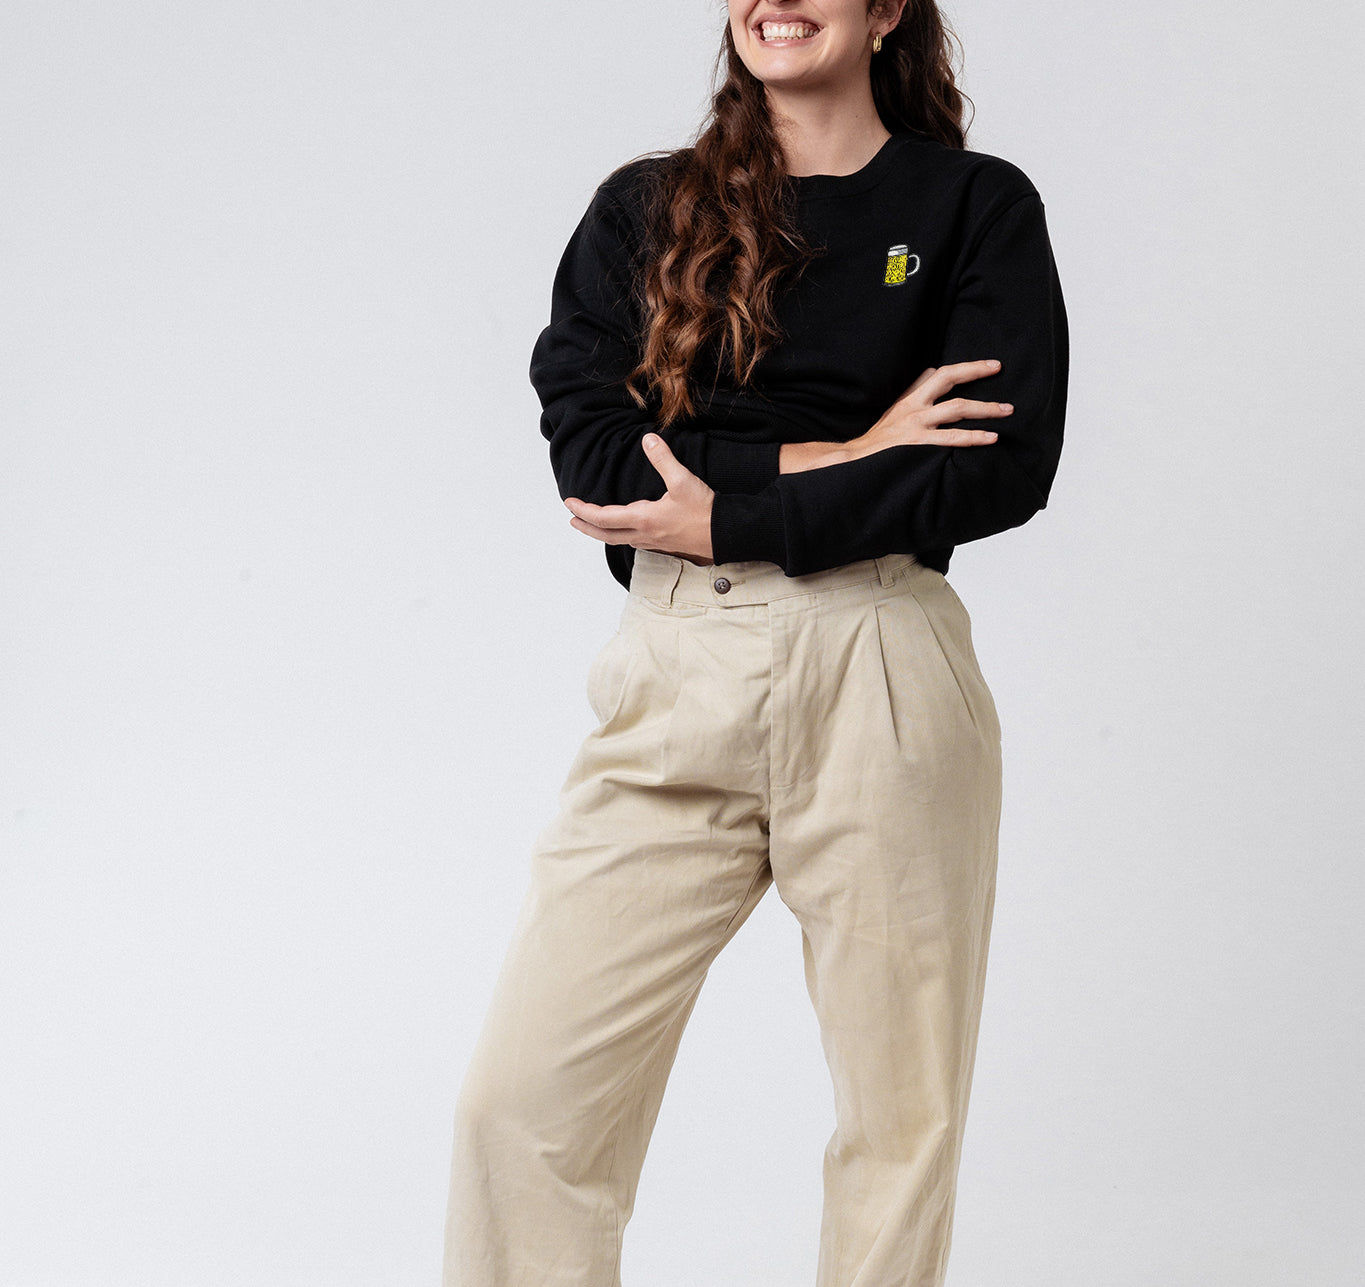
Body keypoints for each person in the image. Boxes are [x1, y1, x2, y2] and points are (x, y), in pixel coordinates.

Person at [444, 0, 1068, 1283]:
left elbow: (996, 466)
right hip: (677, 666)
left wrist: (724, 503)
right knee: (522, 1107)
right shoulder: (646, 209)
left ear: (886, 9)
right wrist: (858, 449)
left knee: (899, 1123)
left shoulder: (973, 207)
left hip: (881, 660)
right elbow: (602, 465)